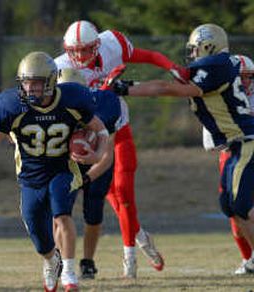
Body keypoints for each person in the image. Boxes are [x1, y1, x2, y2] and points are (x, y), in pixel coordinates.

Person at [110, 23, 254, 275]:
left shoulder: (217, 66)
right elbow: (170, 81)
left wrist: (126, 88)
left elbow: (167, 88)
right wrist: (127, 86)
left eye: (197, 49)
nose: (194, 54)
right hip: (235, 144)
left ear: (209, 46)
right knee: (229, 206)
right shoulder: (217, 66)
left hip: (246, 140)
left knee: (240, 204)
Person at [0, 51, 109, 292]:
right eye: (26, 82)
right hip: (30, 176)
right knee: (35, 226)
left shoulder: (72, 99)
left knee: (61, 214)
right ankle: (50, 260)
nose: (31, 88)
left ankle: (68, 270)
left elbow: (102, 130)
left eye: (36, 83)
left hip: (61, 168)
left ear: (52, 81)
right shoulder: (12, 105)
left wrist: (98, 155)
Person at [55, 20, 175, 278]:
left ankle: (129, 254)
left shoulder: (113, 45)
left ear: (97, 45)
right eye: (73, 50)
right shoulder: (58, 69)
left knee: (124, 193)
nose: (78, 56)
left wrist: (174, 68)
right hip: (85, 137)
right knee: (105, 195)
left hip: (117, 129)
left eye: (84, 49)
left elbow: (150, 55)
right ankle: (140, 234)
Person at [56, 68, 126, 279]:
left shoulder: (103, 106)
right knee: (59, 212)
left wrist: (86, 178)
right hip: (66, 164)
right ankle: (59, 257)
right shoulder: (52, 112)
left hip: (95, 164)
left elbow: (107, 155)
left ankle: (87, 260)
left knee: (93, 212)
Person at [202, 54, 254, 275]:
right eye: (239, 77)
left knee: (241, 205)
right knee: (231, 208)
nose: (245, 82)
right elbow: (209, 143)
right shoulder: (219, 97)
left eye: (249, 77)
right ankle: (249, 259)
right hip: (231, 154)